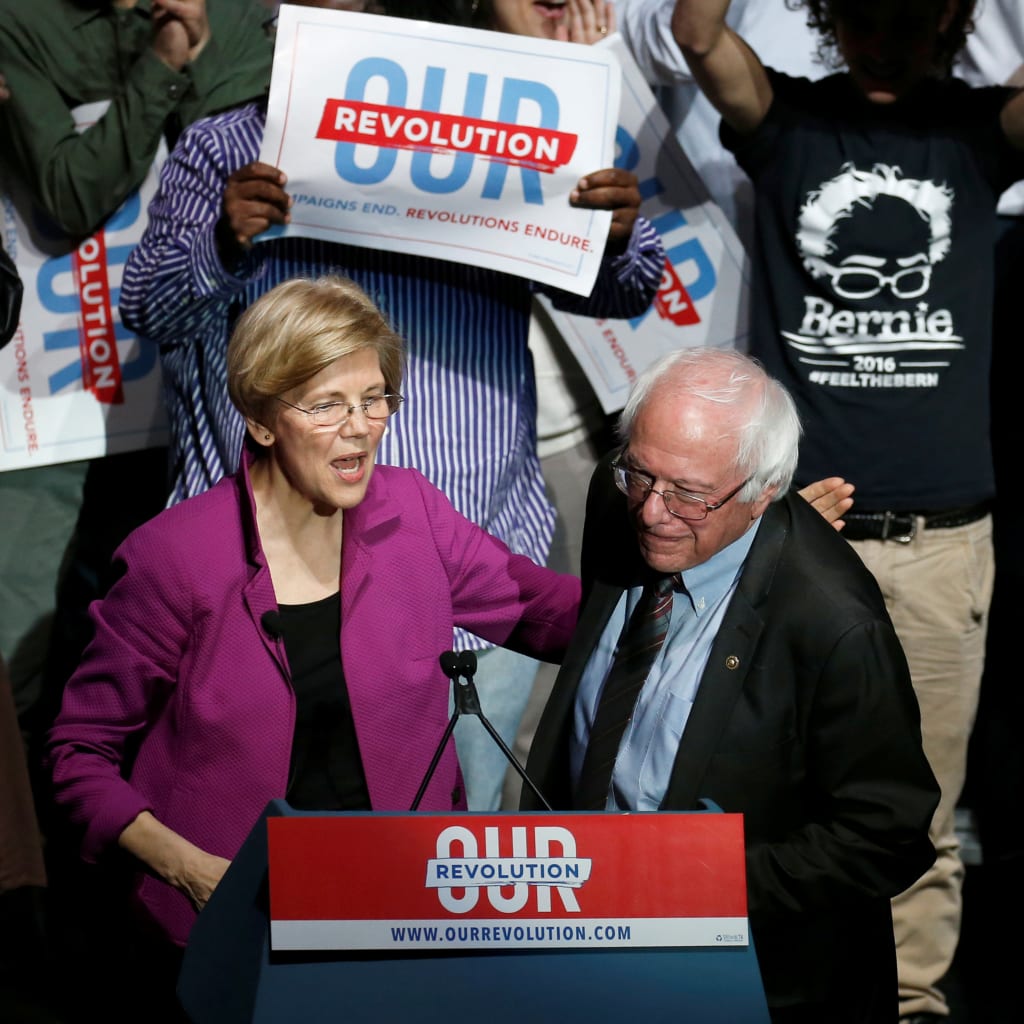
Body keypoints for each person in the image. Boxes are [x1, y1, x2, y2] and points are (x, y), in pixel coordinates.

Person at [118, 0, 664, 813]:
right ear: (282, 29)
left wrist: (613, 237)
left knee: (450, 879)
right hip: (262, 583)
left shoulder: (501, 136)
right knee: (251, 867)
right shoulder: (226, 148)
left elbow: (628, 289)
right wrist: (225, 242)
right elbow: (152, 310)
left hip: (471, 573)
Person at [46, 275, 581, 1015]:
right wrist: (194, 871)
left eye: (374, 399)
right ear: (263, 420)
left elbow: (546, 612)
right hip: (234, 922)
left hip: (400, 909)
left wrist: (702, 571)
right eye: (328, 405)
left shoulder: (412, 510)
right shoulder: (175, 558)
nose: (361, 427)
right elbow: (79, 755)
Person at [662, 2, 1024, 1019]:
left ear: (949, 19)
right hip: (794, 538)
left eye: (907, 13)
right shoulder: (789, 120)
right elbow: (697, 38)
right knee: (759, 795)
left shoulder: (970, 129)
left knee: (922, 816)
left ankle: (909, 1005)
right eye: (859, 11)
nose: (881, 35)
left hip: (940, 543)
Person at [523, 347, 938, 1023]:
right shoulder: (619, 495)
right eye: (642, 474)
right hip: (580, 950)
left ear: (761, 490)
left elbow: (886, 834)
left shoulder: (832, 623)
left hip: (744, 982)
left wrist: (704, 879)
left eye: (688, 493)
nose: (653, 512)